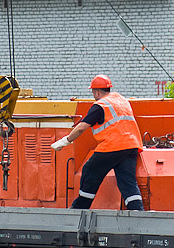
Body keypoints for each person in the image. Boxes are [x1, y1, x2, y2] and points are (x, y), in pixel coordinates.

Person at [49, 74, 145, 211]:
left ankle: (79, 208)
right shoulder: (122, 101)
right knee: (127, 181)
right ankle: (137, 211)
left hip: (112, 146)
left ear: (96, 91)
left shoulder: (100, 106)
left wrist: (65, 141)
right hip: (131, 146)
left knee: (90, 170)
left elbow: (82, 127)